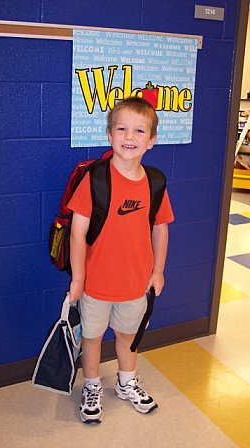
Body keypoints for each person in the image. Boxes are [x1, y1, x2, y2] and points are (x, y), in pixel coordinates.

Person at [67, 97, 174, 424]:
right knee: (92, 338)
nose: (130, 136)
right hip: (96, 285)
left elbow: (160, 228)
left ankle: (127, 383)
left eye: (139, 131)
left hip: (136, 284)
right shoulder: (96, 179)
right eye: (122, 129)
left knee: (129, 337)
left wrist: (158, 271)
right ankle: (92, 386)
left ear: (151, 141)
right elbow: (77, 234)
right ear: (110, 135)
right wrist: (78, 279)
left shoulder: (155, 182)